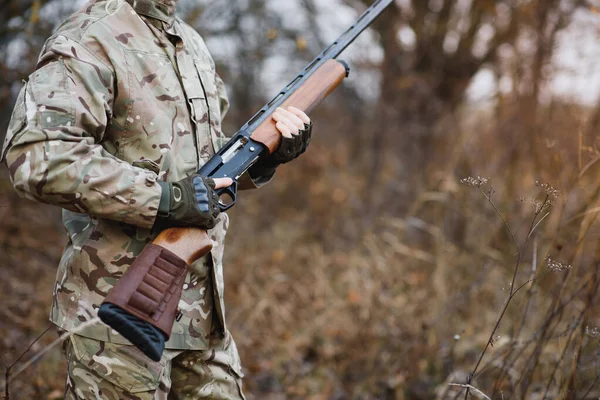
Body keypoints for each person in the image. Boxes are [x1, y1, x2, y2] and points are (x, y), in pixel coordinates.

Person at [1, 0, 312, 398]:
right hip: (116, 325)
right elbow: (38, 156)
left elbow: (206, 167)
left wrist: (266, 157)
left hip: (203, 324)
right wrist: (165, 198)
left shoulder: (192, 44)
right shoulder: (91, 35)